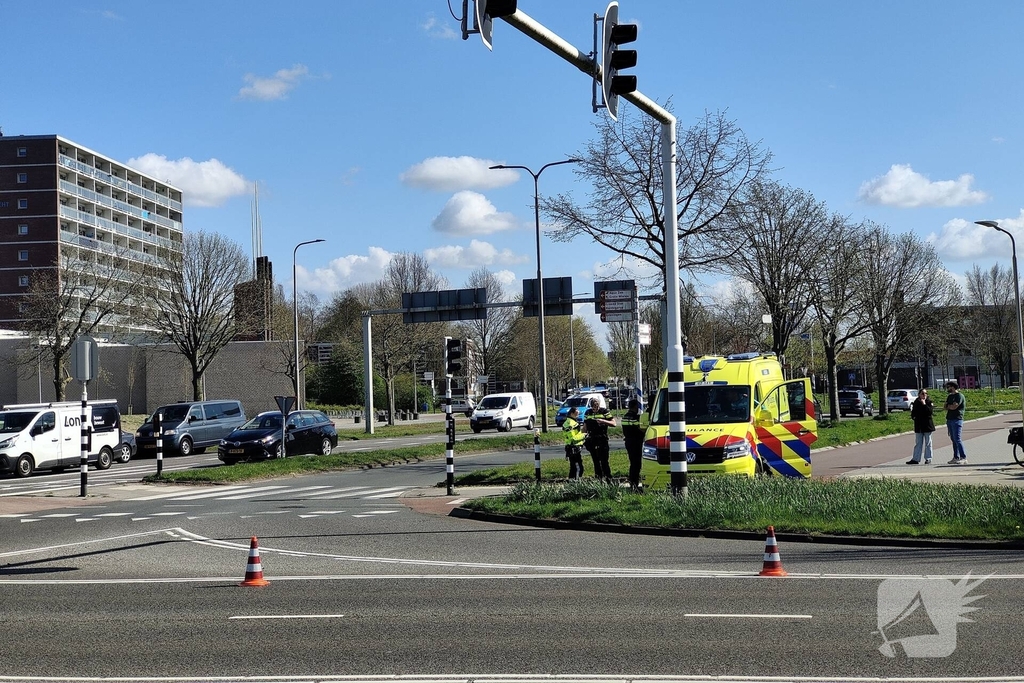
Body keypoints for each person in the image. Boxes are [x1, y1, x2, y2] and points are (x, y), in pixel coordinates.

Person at [583, 397, 616, 483]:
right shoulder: (588, 412)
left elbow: (614, 423)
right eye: (594, 407)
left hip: (602, 438)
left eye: (597, 407)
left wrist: (603, 421)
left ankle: (609, 479)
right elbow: (585, 427)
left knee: (604, 460)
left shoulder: (604, 411)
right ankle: (599, 480)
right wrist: (582, 437)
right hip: (592, 439)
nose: (595, 409)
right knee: (595, 461)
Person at [620, 399, 645, 491]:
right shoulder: (635, 417)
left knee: (633, 463)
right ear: (635, 407)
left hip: (628, 441)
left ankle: (632, 482)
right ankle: (635, 483)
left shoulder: (625, 417)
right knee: (637, 464)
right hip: (636, 442)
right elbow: (640, 429)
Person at [906, 389, 935, 464]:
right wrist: (913, 417)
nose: (924, 395)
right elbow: (913, 412)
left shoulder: (929, 402)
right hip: (919, 425)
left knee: (928, 443)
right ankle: (916, 459)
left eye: (926, 393)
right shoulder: (916, 402)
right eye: (922, 393)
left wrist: (924, 404)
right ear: (919, 394)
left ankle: (928, 458)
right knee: (918, 443)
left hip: (927, 425)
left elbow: (929, 412)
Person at [944, 381, 968, 464]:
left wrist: (950, 406)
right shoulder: (950, 396)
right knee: (953, 439)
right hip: (949, 419)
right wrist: (949, 406)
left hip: (957, 419)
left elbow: (954, 406)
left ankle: (963, 457)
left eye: (948, 387)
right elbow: (945, 406)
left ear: (953, 387)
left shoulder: (959, 396)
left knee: (957, 439)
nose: (947, 389)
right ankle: (956, 457)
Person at [562, 407, 586, 479]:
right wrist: (584, 435)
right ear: (572, 413)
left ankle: (571, 482)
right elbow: (573, 438)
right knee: (578, 468)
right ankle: (576, 484)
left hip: (572, 447)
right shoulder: (570, 423)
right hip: (574, 447)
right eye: (576, 413)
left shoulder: (570, 422)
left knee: (573, 467)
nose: (578, 415)